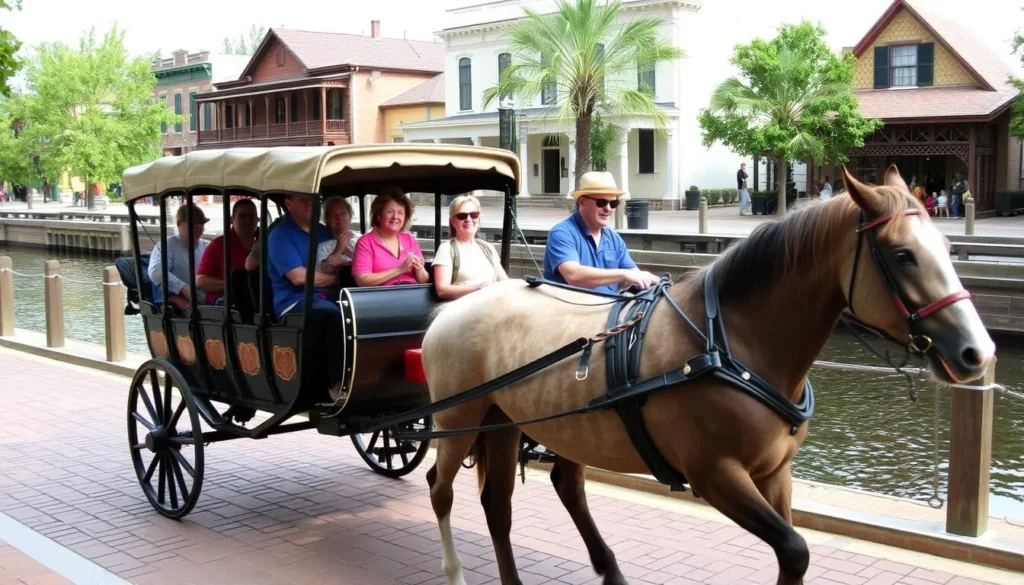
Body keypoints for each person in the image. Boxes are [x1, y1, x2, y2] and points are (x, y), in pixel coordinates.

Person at [543, 171, 659, 295]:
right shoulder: (562, 233)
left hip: (610, 307)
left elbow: (634, 274)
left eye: (613, 203)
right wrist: (624, 274)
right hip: (569, 307)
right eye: (601, 202)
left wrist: (651, 281)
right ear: (582, 202)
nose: (608, 208)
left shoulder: (614, 238)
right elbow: (573, 275)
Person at [266, 194, 335, 317]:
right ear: (288, 203)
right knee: (329, 313)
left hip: (330, 297)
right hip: (295, 301)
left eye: (313, 199)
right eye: (302, 199)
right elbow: (299, 277)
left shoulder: (325, 232)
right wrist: (337, 279)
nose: (309, 203)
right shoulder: (280, 235)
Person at [432, 195, 508, 300]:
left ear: (479, 218)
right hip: (462, 307)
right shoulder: (446, 249)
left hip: (490, 304)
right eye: (462, 216)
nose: (468, 219)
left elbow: (505, 283)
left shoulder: (488, 248)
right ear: (453, 221)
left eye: (474, 215)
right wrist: (477, 288)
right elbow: (442, 290)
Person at [351, 188, 429, 287]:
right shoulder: (365, 242)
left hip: (411, 292)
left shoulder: (409, 239)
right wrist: (399, 270)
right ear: (379, 215)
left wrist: (420, 269)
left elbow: (423, 280)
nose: (395, 217)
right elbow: (362, 280)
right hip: (382, 294)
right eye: (389, 211)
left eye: (400, 212)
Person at [148, 203, 209, 310]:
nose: (198, 226)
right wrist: (183, 288)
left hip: (203, 297)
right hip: (175, 300)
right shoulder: (167, 245)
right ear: (179, 224)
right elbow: (156, 272)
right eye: (193, 223)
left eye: (201, 223)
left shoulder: (207, 246)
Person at [196, 199, 258, 305]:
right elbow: (200, 281)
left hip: (258, 300)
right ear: (232, 219)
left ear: (258, 219)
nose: (247, 220)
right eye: (242, 216)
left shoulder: (266, 242)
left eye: (251, 216)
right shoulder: (219, 245)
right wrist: (232, 285)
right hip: (226, 304)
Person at [316, 196, 360, 273]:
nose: (339, 218)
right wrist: (338, 250)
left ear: (350, 215)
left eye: (343, 213)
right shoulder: (323, 246)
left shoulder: (363, 240)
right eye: (333, 215)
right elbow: (323, 272)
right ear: (327, 220)